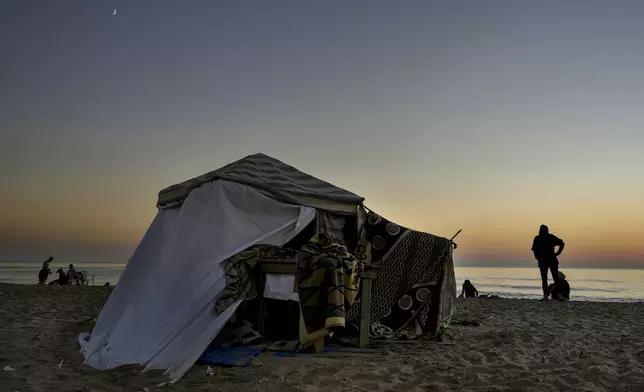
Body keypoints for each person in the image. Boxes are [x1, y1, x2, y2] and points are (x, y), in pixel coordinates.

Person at [531, 224, 565, 301]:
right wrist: (537, 257)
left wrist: (558, 253)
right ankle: (547, 296)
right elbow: (534, 249)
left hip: (550, 260)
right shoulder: (538, 238)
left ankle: (557, 295)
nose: (545, 232)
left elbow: (562, 244)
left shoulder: (549, 237)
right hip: (544, 261)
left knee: (554, 278)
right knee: (546, 279)